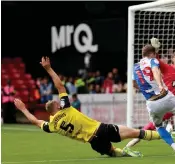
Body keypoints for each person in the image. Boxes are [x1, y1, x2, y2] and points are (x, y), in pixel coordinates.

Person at [14, 56, 161, 157]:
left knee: (112, 153)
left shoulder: (52, 125)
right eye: (57, 103)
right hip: (102, 130)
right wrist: (48, 69)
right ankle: (164, 135)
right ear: (57, 107)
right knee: (136, 133)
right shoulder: (65, 108)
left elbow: (35, 121)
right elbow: (59, 86)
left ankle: (121, 152)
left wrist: (22, 108)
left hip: (94, 142)